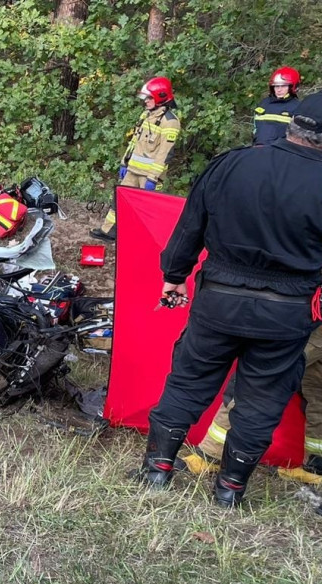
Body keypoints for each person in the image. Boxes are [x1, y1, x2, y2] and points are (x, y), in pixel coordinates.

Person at [137, 92, 322, 508]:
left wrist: (174, 276)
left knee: (188, 381)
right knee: (262, 398)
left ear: (291, 123)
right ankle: (230, 490)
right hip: (287, 313)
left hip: (218, 299)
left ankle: (157, 470)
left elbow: (190, 226)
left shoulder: (233, 162)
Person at [184, 327, 322, 485]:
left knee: (257, 379)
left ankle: (211, 456)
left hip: (310, 322)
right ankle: (317, 467)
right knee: (317, 386)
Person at [91, 77, 181, 242]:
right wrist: (125, 162)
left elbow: (164, 155)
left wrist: (153, 179)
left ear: (160, 97)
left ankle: (143, 240)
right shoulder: (146, 115)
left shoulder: (170, 123)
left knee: (146, 211)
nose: (145, 101)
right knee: (119, 201)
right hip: (132, 170)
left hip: (149, 177)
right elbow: (135, 141)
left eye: (149, 98)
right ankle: (109, 232)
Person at [253, 67, 300, 146]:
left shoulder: (297, 107)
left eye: (283, 86)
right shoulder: (264, 104)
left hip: (281, 153)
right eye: (276, 86)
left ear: (292, 87)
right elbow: (256, 129)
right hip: (259, 150)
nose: (279, 90)